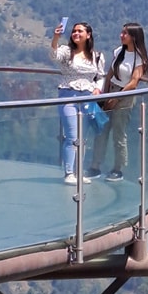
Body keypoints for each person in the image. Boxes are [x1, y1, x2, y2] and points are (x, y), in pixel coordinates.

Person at [90, 22, 148, 182]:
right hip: (111, 90)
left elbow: (133, 82)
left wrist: (116, 97)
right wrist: (106, 94)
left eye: (125, 33)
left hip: (125, 96)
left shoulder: (138, 58)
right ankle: (95, 165)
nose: (121, 35)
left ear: (134, 37)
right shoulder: (119, 51)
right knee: (102, 129)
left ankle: (118, 168)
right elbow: (110, 74)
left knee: (118, 132)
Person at [51, 21, 106, 185]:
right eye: (74, 31)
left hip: (88, 98)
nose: (76, 34)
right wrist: (55, 38)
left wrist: (98, 89)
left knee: (83, 137)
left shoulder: (97, 56)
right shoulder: (67, 52)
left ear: (88, 35)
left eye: (80, 31)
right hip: (68, 95)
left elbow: (101, 76)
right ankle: (69, 173)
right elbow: (53, 56)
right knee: (71, 136)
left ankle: (78, 172)